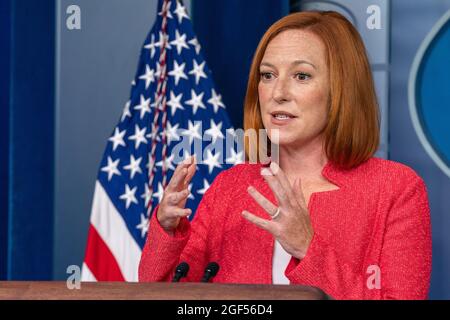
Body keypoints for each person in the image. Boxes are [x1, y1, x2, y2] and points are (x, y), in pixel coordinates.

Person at [138, 11, 431, 300]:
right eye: (268, 75)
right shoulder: (230, 187)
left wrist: (308, 248)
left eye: (301, 76)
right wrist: (167, 232)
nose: (278, 92)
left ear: (342, 89)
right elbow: (169, 296)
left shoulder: (396, 189)